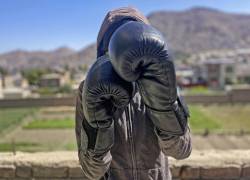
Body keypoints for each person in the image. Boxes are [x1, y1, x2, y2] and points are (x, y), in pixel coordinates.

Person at [75, 7, 192, 180]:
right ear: (105, 51)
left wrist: (164, 110)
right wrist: (98, 129)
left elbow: (182, 151)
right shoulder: (88, 89)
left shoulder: (162, 80)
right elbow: (92, 171)